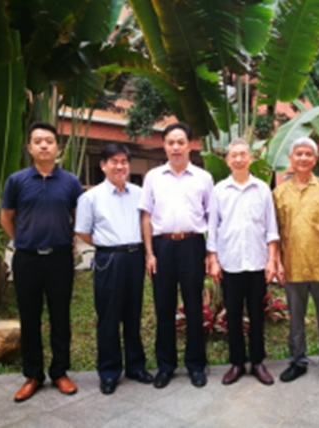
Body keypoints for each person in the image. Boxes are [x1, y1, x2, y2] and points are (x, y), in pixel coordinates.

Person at [0, 122, 82, 402]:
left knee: (60, 317)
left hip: (60, 259)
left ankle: (60, 372)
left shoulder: (70, 182)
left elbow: (78, 217)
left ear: (57, 147)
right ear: (29, 148)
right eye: (38, 141)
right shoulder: (16, 181)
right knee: (29, 317)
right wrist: (22, 240)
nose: (44, 145)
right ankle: (33, 375)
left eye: (49, 140)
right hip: (27, 260)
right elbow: (6, 218)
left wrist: (69, 238)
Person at [139, 122, 213, 389]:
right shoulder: (153, 177)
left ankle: (196, 365)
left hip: (193, 245)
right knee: (164, 308)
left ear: (190, 145)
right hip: (163, 247)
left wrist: (210, 253)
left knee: (194, 307)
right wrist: (149, 253)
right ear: (164, 146)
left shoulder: (203, 178)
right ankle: (166, 366)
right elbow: (146, 216)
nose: (176, 147)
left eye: (181, 142)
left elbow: (211, 218)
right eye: (170, 142)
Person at [75, 144, 152, 395]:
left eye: (124, 162)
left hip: (135, 256)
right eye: (114, 162)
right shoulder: (91, 197)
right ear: (103, 166)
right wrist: (105, 244)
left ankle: (136, 367)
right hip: (109, 259)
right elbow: (82, 231)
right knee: (108, 316)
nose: (120, 166)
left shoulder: (139, 193)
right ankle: (108, 372)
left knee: (133, 314)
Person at [273, 137, 319, 388]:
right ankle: (297, 361)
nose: (303, 158)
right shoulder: (279, 193)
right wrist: (277, 262)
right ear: (290, 159)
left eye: (308, 154)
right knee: (296, 317)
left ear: (315, 159)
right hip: (292, 264)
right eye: (299, 153)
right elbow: (274, 233)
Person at [207, 139, 279, 386]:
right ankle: (237, 363)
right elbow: (212, 228)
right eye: (233, 155)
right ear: (227, 160)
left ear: (250, 158)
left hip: (257, 262)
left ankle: (258, 362)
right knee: (233, 314)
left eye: (242, 155)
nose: (238, 159)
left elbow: (271, 228)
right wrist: (213, 260)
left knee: (257, 315)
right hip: (230, 262)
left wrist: (272, 260)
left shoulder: (262, 189)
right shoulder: (219, 191)